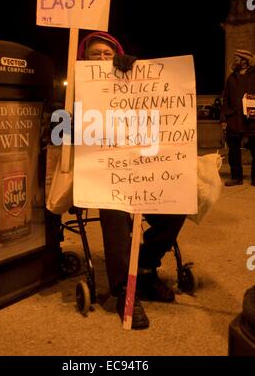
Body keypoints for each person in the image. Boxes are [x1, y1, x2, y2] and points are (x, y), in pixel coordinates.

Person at [77, 31, 186, 329]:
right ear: (83, 61)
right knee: (113, 215)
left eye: (107, 54)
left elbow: (164, 112)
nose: (101, 59)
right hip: (104, 175)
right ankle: (125, 288)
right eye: (94, 55)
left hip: (143, 170)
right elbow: (60, 129)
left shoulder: (134, 81)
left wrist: (138, 77)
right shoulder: (76, 90)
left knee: (177, 208)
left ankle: (146, 267)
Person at [220, 49, 255, 187]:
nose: (234, 60)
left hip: (251, 121)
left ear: (245, 60)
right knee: (233, 151)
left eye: (237, 58)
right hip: (233, 119)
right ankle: (236, 177)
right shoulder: (231, 78)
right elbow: (226, 99)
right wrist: (223, 119)